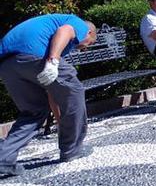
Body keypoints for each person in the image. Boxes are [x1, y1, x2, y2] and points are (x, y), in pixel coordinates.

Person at [0, 15, 98, 175]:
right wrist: (53, 61)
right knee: (75, 91)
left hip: (7, 65)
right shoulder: (78, 23)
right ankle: (71, 150)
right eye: (90, 42)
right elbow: (65, 31)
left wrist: (61, 122)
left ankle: (4, 157)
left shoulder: (49, 31)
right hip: (35, 55)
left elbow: (53, 92)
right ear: (89, 32)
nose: (86, 47)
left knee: (35, 111)